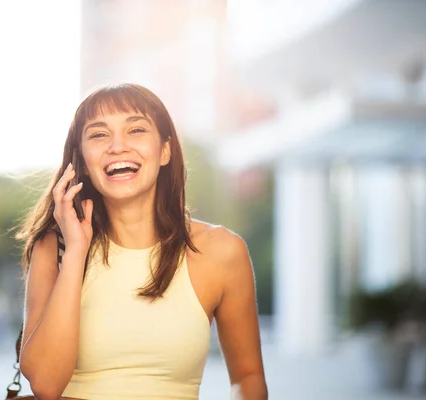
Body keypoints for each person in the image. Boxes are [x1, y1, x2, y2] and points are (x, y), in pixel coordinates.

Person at [16, 83, 268, 400]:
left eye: (135, 130)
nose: (117, 146)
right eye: (98, 135)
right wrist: (77, 251)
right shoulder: (54, 248)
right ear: (81, 159)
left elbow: (248, 376)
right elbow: (45, 385)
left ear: (165, 151)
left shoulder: (222, 251)